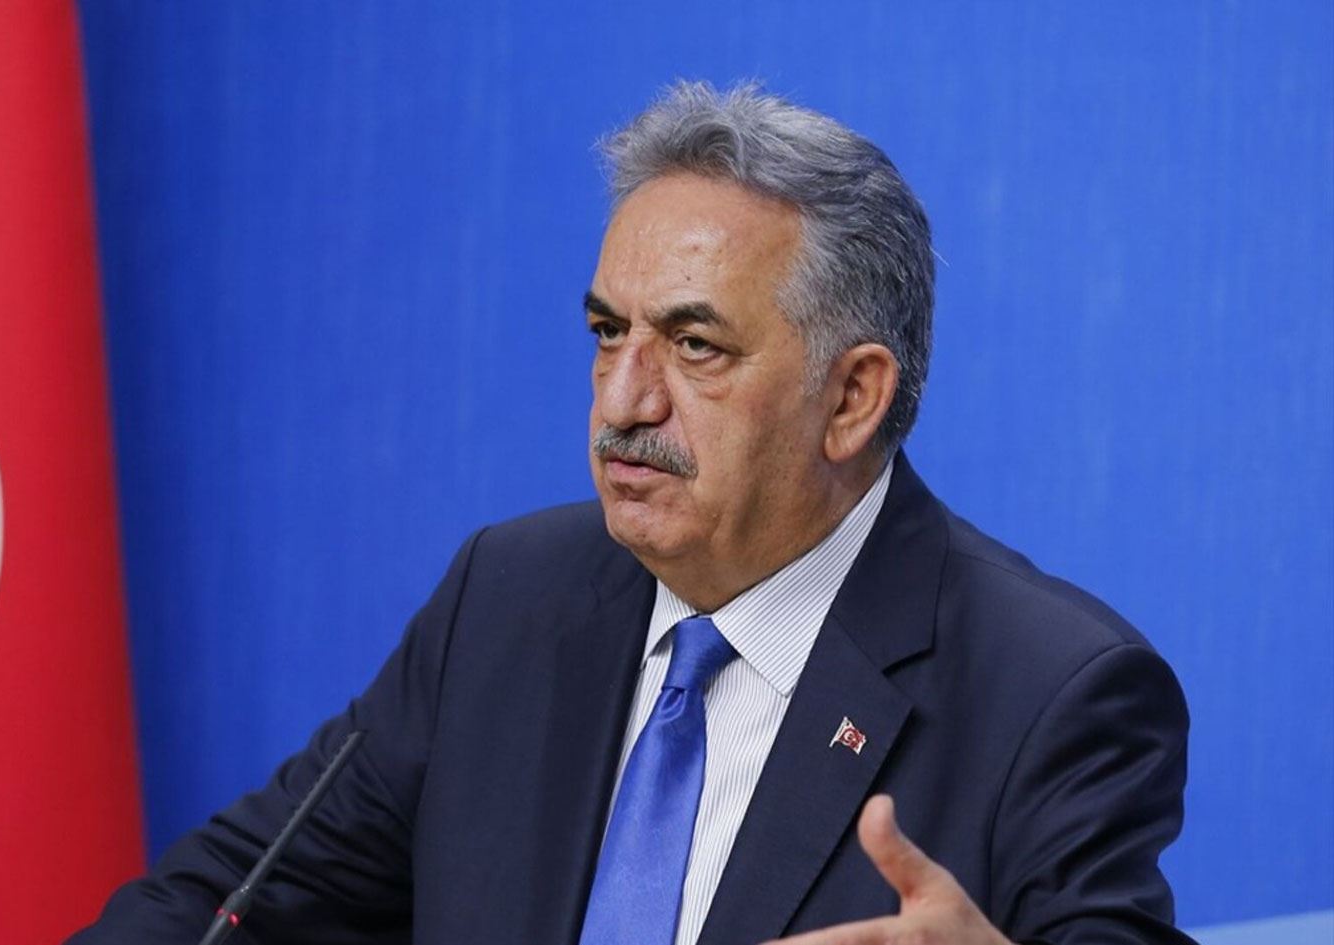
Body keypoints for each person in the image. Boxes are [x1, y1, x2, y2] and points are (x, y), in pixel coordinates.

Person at [70, 81, 1192, 945]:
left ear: (852, 399)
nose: (622, 402)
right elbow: (234, 901)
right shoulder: (507, 599)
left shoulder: (1051, 691)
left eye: (695, 346)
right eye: (610, 333)